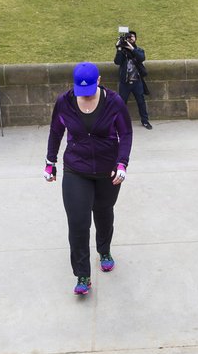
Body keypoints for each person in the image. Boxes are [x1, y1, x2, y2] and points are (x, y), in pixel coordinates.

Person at [45, 61, 133, 295]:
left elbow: (125, 133)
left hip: (108, 170)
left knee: (103, 212)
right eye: (79, 90)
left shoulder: (113, 102)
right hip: (76, 169)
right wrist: (50, 162)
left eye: (88, 89)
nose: (83, 95)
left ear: (100, 81)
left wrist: (122, 162)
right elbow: (56, 131)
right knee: (78, 222)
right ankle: (82, 275)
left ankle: (104, 250)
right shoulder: (65, 102)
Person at [113, 30, 152, 129]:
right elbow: (117, 62)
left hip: (137, 82)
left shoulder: (139, 50)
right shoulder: (122, 51)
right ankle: (120, 123)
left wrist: (131, 48)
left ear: (135, 39)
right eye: (129, 37)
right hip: (125, 82)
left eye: (133, 37)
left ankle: (145, 121)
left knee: (141, 102)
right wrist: (119, 49)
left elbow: (141, 58)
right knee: (122, 103)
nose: (131, 39)